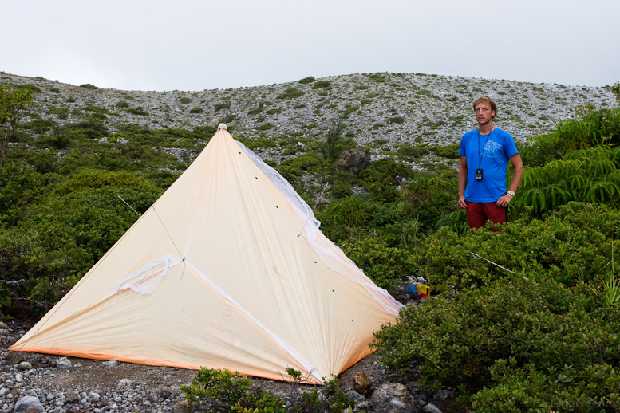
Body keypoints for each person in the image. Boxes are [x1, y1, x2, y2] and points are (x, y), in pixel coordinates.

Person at [458, 96, 523, 229]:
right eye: (477, 110)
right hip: (472, 199)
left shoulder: (504, 137)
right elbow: (463, 167)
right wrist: (461, 194)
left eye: (485, 109)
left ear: (493, 113)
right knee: (474, 241)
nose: (480, 113)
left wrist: (510, 194)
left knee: (497, 240)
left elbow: (519, 165)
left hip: (496, 199)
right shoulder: (467, 138)